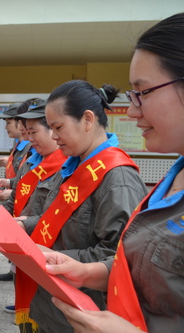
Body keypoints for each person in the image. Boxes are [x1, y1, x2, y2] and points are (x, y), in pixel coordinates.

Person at [42, 12, 184, 333]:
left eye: (143, 92)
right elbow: (139, 266)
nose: (132, 110)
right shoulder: (172, 179)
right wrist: (92, 272)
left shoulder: (116, 174)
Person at [13, 80, 148, 333]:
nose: (53, 136)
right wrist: (26, 224)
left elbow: (119, 259)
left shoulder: (117, 179)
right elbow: (59, 218)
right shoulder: (73, 164)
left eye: (58, 127)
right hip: (51, 303)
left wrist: (53, 259)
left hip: (81, 314)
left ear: (87, 119)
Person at [0, 99, 68, 316]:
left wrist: (24, 224)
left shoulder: (65, 165)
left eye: (33, 132)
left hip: (45, 249)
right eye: (26, 133)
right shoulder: (31, 161)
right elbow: (15, 195)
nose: (29, 139)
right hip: (23, 241)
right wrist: (0, 214)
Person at [0, 98, 41, 282]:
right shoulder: (26, 149)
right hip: (21, 213)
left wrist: (10, 193)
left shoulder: (34, 149)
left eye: (10, 122)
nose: (23, 130)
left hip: (29, 219)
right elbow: (23, 181)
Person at [0, 99, 37, 203]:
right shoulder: (17, 145)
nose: (6, 127)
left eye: (8, 123)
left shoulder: (33, 148)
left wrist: (12, 193)